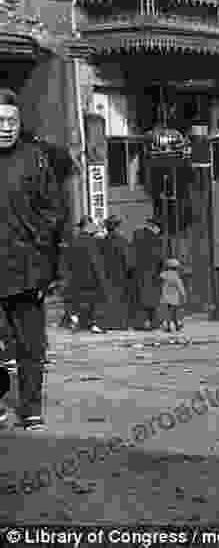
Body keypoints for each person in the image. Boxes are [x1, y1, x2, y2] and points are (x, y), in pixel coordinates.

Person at [0, 88, 69, 431]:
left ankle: (30, 408)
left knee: (31, 346)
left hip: (27, 270)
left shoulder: (35, 158)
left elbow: (54, 213)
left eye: (11, 120)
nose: (5, 127)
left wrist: (46, 264)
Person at [67, 216, 109, 334]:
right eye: (92, 225)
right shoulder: (91, 241)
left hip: (75, 277)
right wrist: (101, 277)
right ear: (88, 226)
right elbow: (95, 261)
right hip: (91, 277)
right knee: (95, 302)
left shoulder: (74, 240)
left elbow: (67, 261)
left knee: (78, 301)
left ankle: (75, 321)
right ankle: (95, 325)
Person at [130, 217, 164, 330]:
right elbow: (159, 258)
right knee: (151, 300)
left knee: (141, 299)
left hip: (138, 272)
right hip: (151, 272)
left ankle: (141, 323)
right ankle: (152, 322)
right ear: (154, 227)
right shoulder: (155, 239)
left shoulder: (136, 235)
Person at [99, 215, 131, 330]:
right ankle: (120, 324)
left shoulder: (102, 242)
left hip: (107, 276)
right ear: (117, 227)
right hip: (121, 275)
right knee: (121, 300)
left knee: (110, 300)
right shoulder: (122, 241)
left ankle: (111, 323)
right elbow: (128, 260)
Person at [159, 258, 187, 333]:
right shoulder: (176, 276)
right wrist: (184, 295)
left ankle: (168, 326)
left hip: (165, 296)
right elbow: (180, 287)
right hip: (174, 297)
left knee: (167, 313)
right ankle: (176, 326)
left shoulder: (163, 274)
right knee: (174, 313)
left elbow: (160, 283)